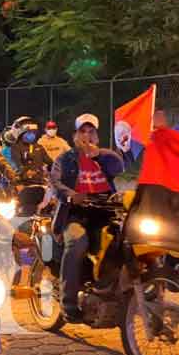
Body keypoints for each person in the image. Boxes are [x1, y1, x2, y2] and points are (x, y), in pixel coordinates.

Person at [50, 113, 124, 321]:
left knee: (126, 241)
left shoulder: (106, 156)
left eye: (91, 132)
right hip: (75, 215)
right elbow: (55, 182)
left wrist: (97, 155)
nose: (87, 136)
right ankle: (69, 304)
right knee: (77, 242)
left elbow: (120, 167)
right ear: (75, 136)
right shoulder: (65, 159)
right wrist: (72, 196)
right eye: (83, 131)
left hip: (104, 214)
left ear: (97, 137)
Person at [11, 117, 53, 185]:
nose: (32, 134)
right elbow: (17, 165)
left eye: (33, 132)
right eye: (29, 132)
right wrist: (25, 172)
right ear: (21, 133)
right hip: (23, 183)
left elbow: (50, 162)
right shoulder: (16, 147)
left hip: (40, 182)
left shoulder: (39, 147)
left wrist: (56, 167)